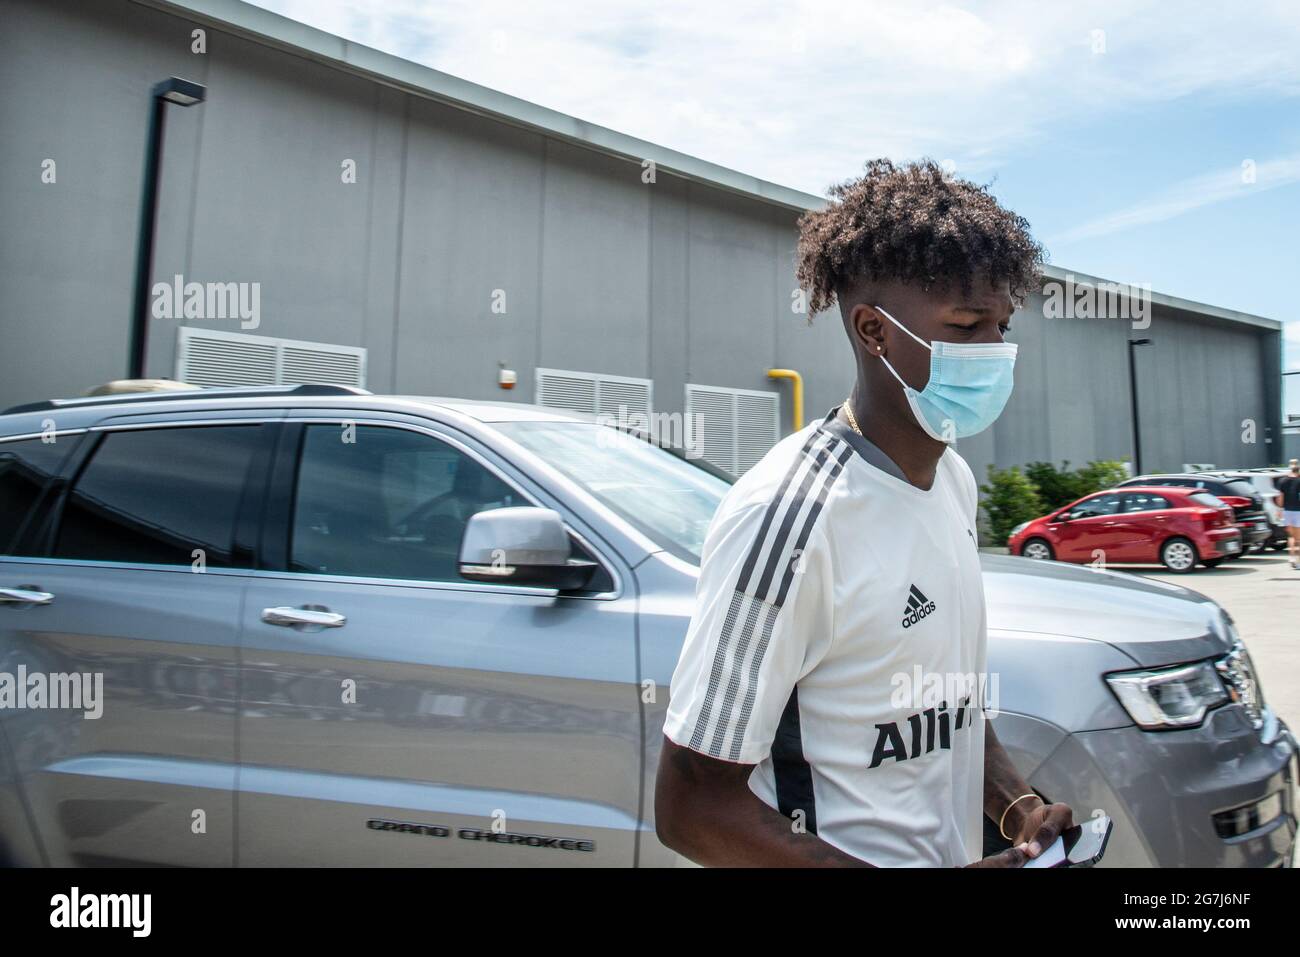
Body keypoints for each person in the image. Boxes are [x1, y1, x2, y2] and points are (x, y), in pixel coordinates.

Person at [654, 158, 1074, 867]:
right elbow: (692, 806)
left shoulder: (953, 482)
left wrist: (1015, 804)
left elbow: (946, 703)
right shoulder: (788, 518)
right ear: (874, 332)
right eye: (969, 325)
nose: (996, 352)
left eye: (1002, 326)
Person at [1275, 459, 1300, 569]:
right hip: (1298, 511)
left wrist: (1279, 510)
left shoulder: (1282, 481)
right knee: (1298, 538)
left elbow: (1280, 497)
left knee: (1291, 536)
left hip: (1287, 511)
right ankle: (1298, 562)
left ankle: (1292, 558)